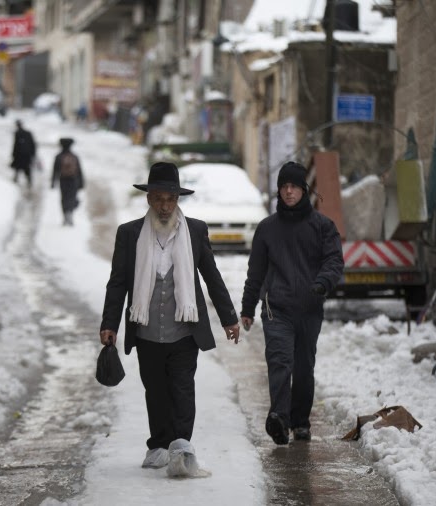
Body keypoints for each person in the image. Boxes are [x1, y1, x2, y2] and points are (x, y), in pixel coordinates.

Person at [99, 162, 241, 473]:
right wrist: (109, 324)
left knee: (182, 385)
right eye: (159, 199)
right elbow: (118, 282)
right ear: (149, 198)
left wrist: (229, 318)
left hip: (183, 329)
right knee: (155, 388)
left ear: (178, 201)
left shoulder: (196, 230)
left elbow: (212, 277)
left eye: (171, 200)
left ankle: (181, 445)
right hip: (147, 329)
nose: (165, 206)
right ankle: (159, 444)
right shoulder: (130, 233)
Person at [240, 161, 344, 444]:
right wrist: (248, 307)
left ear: (303, 190)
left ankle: (300, 421)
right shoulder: (267, 229)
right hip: (277, 309)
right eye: (284, 187)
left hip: (310, 309)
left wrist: (322, 283)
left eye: (293, 187)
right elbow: (256, 272)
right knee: (280, 362)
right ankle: (279, 419)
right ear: (278, 191)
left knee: (303, 367)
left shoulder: (322, 227)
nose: (288, 192)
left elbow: (334, 260)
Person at [51, 137, 84, 225]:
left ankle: (65, 215)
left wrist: (53, 182)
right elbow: (80, 171)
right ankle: (70, 213)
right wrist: (81, 183)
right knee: (72, 198)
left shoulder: (58, 156)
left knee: (64, 198)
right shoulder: (74, 156)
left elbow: (55, 170)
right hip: (73, 181)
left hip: (63, 180)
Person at [11, 120, 36, 187]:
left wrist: (13, 154)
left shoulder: (18, 133)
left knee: (19, 168)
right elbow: (33, 144)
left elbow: (16, 145)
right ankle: (28, 181)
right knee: (26, 168)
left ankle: (18, 179)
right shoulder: (27, 133)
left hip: (20, 155)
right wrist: (33, 154)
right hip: (26, 155)